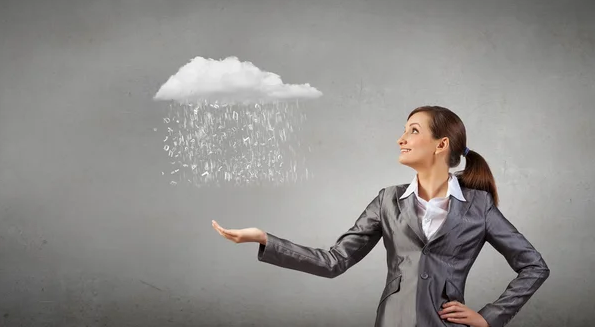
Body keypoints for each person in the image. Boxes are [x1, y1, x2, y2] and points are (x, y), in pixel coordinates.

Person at [212, 105, 550, 327]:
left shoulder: (479, 206)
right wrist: (266, 240)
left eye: (413, 131)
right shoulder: (387, 200)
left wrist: (490, 317)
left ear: (441, 144)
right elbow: (334, 261)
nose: (401, 139)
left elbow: (534, 266)